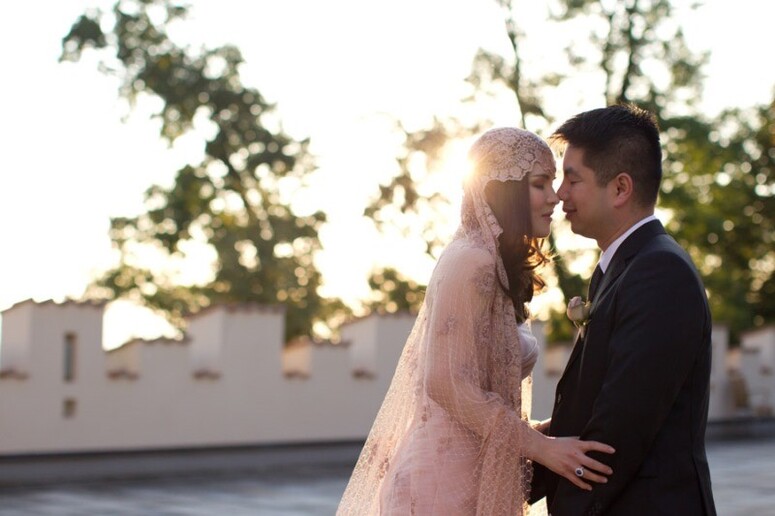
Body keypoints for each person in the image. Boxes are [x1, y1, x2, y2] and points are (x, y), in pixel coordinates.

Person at [337, 127, 614, 515]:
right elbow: (446, 383)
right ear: (501, 190)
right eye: (540, 184)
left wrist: (553, 429)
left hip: (474, 472)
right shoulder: (471, 261)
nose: (555, 197)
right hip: (440, 485)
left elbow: (481, 398)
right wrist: (543, 450)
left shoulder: (494, 265)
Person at [530, 104, 717, 515]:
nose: (560, 194)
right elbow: (586, 410)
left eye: (572, 179)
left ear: (620, 188)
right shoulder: (621, 268)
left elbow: (617, 435)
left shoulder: (660, 272)